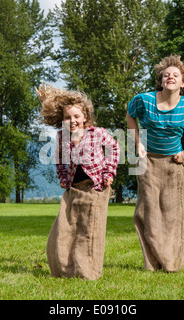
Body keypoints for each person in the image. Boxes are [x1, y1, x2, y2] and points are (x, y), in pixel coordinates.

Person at [126, 54, 184, 272]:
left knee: (172, 215)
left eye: (175, 75)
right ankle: (152, 263)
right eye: (166, 75)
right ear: (161, 81)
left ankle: (171, 263)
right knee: (149, 213)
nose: (169, 77)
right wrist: (137, 144)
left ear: (183, 83)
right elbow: (130, 116)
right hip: (148, 162)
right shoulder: (144, 100)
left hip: (174, 164)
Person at [36, 84, 120, 280]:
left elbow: (114, 149)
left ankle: (87, 271)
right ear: (62, 120)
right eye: (68, 117)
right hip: (74, 188)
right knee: (65, 229)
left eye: (76, 116)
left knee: (89, 230)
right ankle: (64, 270)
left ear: (85, 117)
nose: (72, 121)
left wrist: (109, 173)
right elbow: (58, 160)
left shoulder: (97, 133)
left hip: (96, 187)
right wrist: (63, 178)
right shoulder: (61, 137)